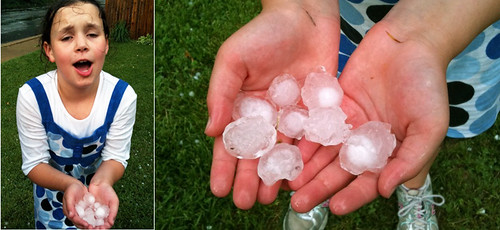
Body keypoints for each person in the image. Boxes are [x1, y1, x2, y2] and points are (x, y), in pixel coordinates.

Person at [205, 0, 500, 229]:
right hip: (342, 21)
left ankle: (414, 186)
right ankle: (319, 184)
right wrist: (297, 8)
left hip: (465, 30)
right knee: (354, 90)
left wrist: (428, 34)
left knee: (416, 124)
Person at [16, 0, 137, 229]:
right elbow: (34, 163)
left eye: (92, 34)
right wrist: (70, 185)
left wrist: (103, 182)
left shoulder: (122, 96)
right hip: (50, 194)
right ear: (49, 50)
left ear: (107, 44)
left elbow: (116, 156)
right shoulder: (33, 96)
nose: (82, 44)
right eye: (66, 37)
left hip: (96, 196)